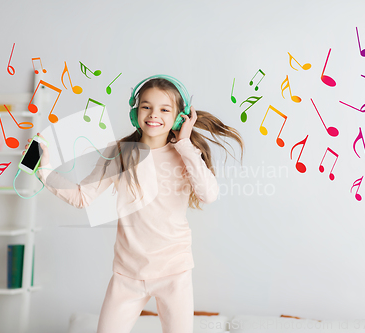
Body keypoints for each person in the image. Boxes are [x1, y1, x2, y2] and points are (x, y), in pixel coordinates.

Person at [23, 76, 244, 333]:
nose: (153, 115)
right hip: (127, 275)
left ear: (180, 117)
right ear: (135, 111)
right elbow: (82, 197)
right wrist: (44, 169)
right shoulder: (119, 152)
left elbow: (208, 194)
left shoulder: (185, 153)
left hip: (174, 272)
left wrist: (184, 143)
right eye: (146, 106)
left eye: (165, 109)